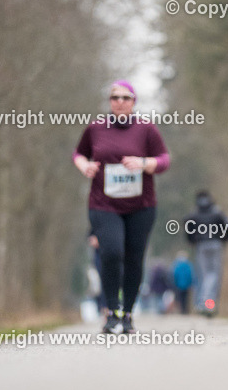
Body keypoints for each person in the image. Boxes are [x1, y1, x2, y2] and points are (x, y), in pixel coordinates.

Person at [73, 80, 170, 334]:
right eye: (115, 97)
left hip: (141, 206)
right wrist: (84, 166)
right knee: (112, 253)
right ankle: (110, 311)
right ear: (110, 102)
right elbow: (79, 153)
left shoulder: (146, 129)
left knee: (134, 258)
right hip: (104, 205)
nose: (120, 102)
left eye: (125, 98)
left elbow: (164, 159)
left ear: (134, 102)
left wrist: (144, 163)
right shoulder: (95, 128)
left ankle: (127, 313)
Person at [183, 190, 228, 316]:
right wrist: (223, 239)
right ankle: (208, 304)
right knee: (213, 275)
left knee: (203, 275)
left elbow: (187, 227)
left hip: (201, 246)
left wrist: (193, 240)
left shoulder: (194, 214)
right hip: (216, 244)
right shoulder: (217, 212)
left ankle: (203, 303)